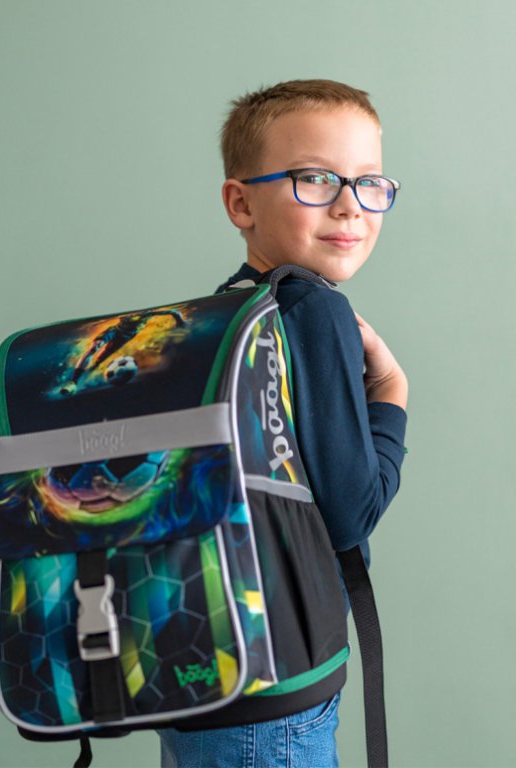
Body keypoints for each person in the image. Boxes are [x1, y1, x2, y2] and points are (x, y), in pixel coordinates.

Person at [156, 79, 410, 767]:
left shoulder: (225, 313)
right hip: (274, 696)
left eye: (369, 182)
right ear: (241, 202)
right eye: (315, 178)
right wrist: (392, 395)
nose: (349, 205)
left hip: (202, 674)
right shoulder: (313, 309)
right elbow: (349, 514)